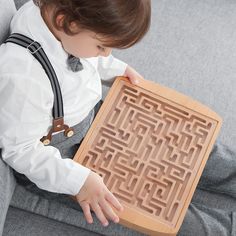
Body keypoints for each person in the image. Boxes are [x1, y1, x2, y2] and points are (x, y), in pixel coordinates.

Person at [0, 0, 151, 229]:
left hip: (88, 115)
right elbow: (20, 150)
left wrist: (116, 69)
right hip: (57, 155)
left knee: (160, 146)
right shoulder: (23, 77)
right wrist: (79, 181)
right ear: (64, 21)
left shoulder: (57, 20)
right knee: (137, 206)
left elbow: (84, 57)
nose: (106, 53)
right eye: (101, 47)